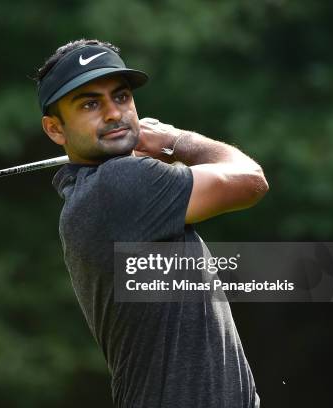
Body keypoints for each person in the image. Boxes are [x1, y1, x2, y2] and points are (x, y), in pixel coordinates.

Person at [34, 39, 268, 408]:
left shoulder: (88, 194)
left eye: (122, 97)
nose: (114, 113)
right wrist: (174, 140)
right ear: (55, 130)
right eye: (91, 104)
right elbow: (250, 180)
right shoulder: (121, 184)